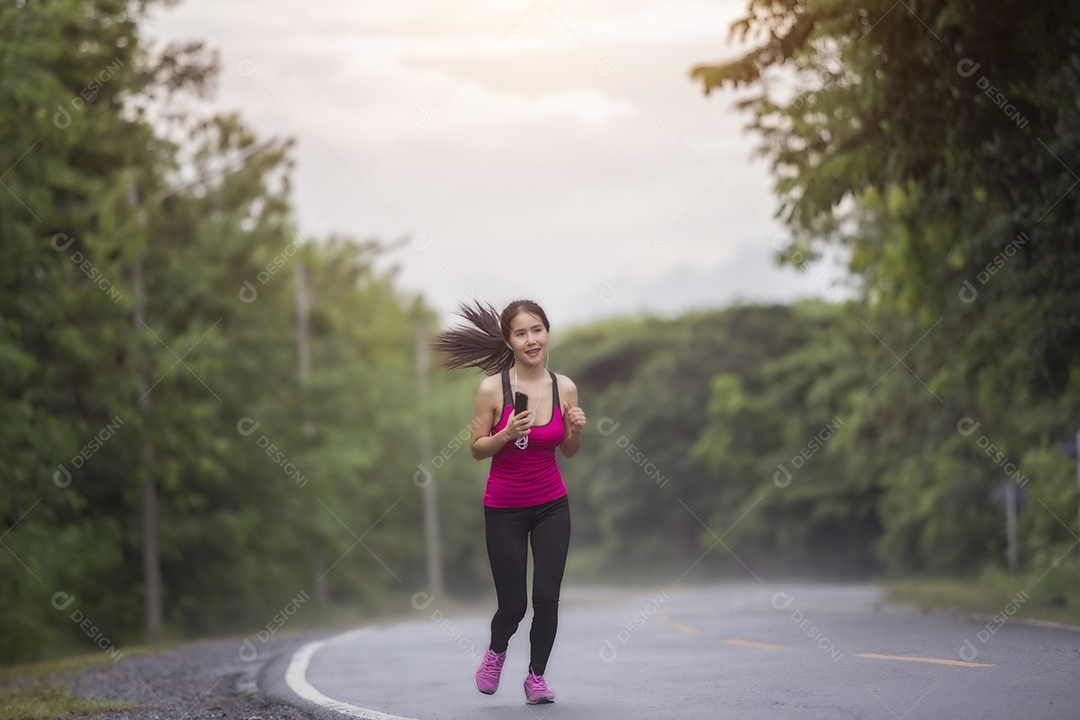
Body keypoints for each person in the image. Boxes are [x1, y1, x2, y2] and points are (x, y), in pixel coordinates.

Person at [430, 298, 587, 705]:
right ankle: (497, 651)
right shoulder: (491, 389)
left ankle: (536, 678)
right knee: (514, 605)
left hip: (552, 503)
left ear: (547, 332)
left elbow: (568, 451)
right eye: (521, 333)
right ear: (509, 340)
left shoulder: (564, 386)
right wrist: (505, 434)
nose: (532, 340)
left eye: (537, 330)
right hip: (504, 509)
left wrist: (574, 430)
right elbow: (477, 449)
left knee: (547, 599)